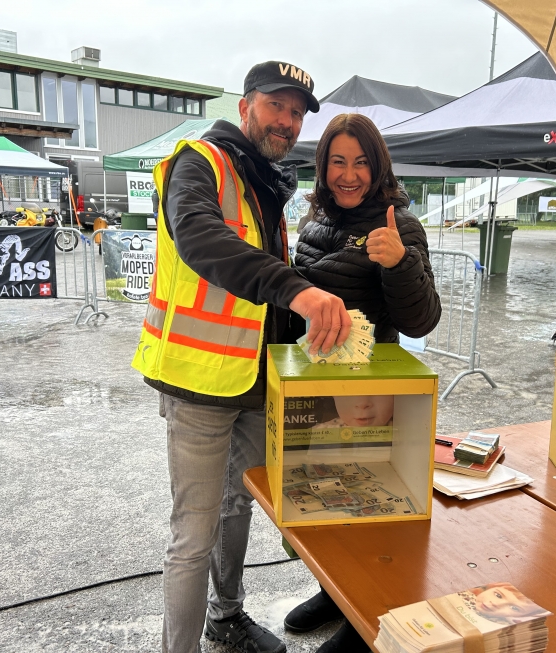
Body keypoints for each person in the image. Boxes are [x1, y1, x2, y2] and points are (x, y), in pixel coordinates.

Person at [131, 61, 352, 653]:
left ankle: (225, 616)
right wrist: (298, 290)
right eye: (277, 106)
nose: (288, 120)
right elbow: (201, 236)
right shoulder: (200, 162)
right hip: (197, 380)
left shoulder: (268, 182)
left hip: (253, 382)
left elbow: (265, 290)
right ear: (246, 105)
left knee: (239, 508)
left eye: (298, 112)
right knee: (193, 534)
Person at [286, 113, 441, 653]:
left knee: (371, 505)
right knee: (323, 496)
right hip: (317, 387)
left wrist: (399, 263)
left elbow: (422, 321)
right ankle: (333, 591)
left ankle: (366, 619)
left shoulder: (400, 225)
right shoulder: (313, 224)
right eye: (337, 162)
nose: (348, 175)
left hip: (374, 395)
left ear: (378, 169)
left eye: (360, 163)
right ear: (323, 167)